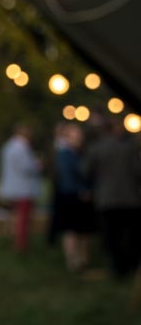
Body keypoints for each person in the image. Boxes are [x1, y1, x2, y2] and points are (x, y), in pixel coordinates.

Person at [83, 119, 141, 279]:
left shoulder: (96, 149)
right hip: (130, 199)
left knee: (112, 237)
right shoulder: (128, 148)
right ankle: (132, 265)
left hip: (106, 199)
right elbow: (138, 171)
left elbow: (86, 171)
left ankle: (117, 269)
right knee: (130, 235)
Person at [51, 123, 95, 272]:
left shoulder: (79, 152)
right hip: (71, 196)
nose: (79, 137)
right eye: (76, 135)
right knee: (71, 230)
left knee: (83, 230)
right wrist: (81, 190)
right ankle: (72, 260)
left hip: (81, 196)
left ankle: (83, 259)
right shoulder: (65, 153)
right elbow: (67, 176)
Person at [0, 124, 43, 254]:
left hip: (12, 188)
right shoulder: (21, 148)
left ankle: (15, 242)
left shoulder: (8, 146)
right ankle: (21, 245)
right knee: (23, 219)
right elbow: (26, 167)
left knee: (15, 218)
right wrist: (38, 165)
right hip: (23, 189)